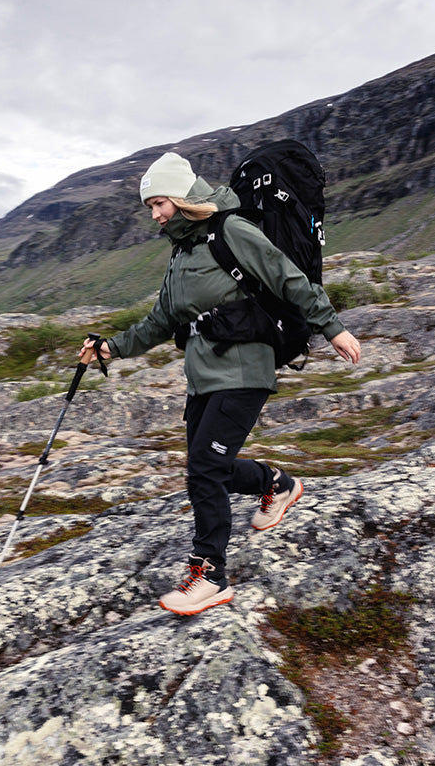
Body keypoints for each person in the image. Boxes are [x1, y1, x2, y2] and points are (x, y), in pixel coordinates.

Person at [79, 151, 361, 616]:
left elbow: (289, 279)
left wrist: (333, 328)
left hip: (245, 371)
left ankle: (210, 574)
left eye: (158, 204)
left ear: (181, 198)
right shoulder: (182, 253)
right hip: (204, 378)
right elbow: (159, 321)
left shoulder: (232, 232)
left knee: (205, 471)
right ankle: (276, 483)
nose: (154, 215)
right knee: (206, 465)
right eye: (150, 207)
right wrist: (110, 349)